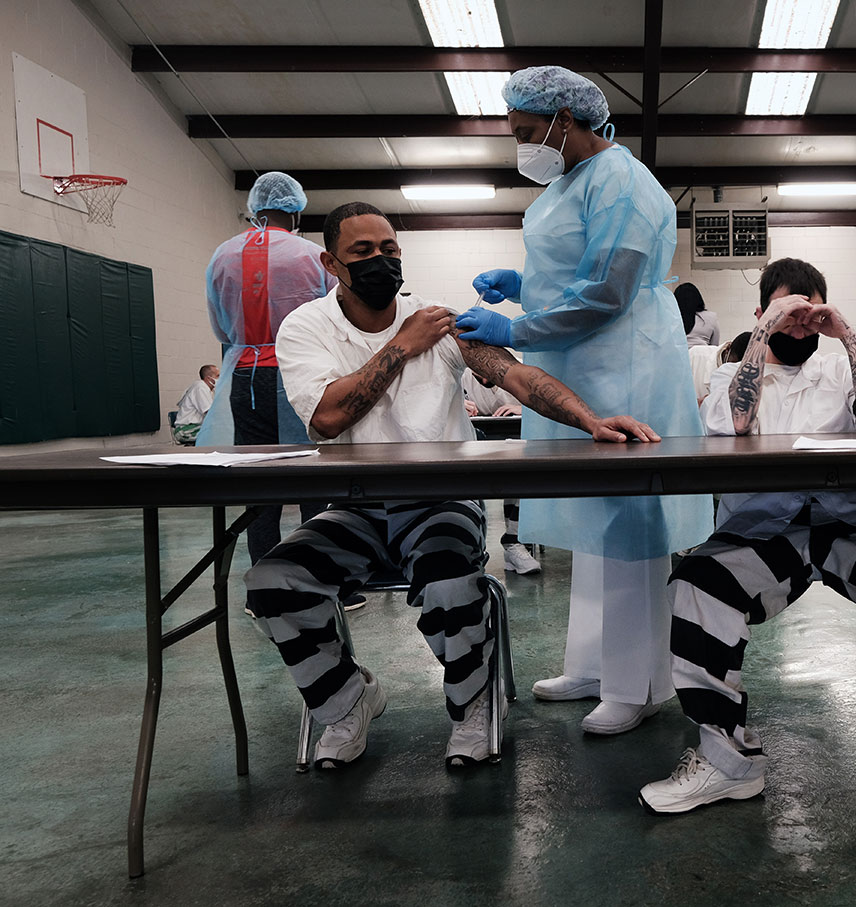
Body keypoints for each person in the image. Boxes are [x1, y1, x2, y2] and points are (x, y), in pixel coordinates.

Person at [247, 202, 658, 769]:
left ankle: (472, 707)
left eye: (389, 250)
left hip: (441, 502)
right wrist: (401, 346)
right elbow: (327, 417)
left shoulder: (438, 322)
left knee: (449, 584)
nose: (381, 262)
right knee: (272, 580)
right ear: (330, 263)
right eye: (362, 253)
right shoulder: (307, 327)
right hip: (357, 507)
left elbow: (517, 376)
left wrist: (589, 418)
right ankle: (346, 702)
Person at [639, 258, 856, 850]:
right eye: (785, 312)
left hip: (849, 524)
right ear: (760, 315)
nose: (799, 325)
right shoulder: (734, 374)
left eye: (809, 313)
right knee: (698, 584)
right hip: (763, 531)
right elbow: (735, 421)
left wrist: (846, 334)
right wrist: (762, 333)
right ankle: (727, 764)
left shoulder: (841, 368)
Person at [457, 66, 713, 735]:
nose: (521, 146)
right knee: (596, 529)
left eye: (524, 132)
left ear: (563, 119)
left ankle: (640, 683)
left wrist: (514, 327)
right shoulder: (573, 181)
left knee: (630, 528)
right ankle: (596, 664)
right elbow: (573, 273)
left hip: (625, 366)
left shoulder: (624, 183)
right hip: (581, 365)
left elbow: (605, 293)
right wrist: (523, 284)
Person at [197, 171, 336, 564]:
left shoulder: (221, 255)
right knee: (312, 472)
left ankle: (263, 577)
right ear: (294, 213)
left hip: (245, 374)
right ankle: (322, 571)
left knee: (258, 477)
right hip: (299, 372)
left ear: (255, 209)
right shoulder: (311, 255)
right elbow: (331, 316)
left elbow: (220, 326)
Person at [462, 369, 542, 574]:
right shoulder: (460, 377)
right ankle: (467, 549)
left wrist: (525, 409)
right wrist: (456, 406)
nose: (485, 379)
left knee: (521, 471)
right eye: (479, 375)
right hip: (475, 444)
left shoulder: (522, 369)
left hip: (516, 443)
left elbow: (547, 402)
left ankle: (513, 542)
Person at [172, 364, 218, 445]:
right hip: (185, 430)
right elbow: (210, 413)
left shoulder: (210, 390)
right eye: (218, 376)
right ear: (208, 378)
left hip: (195, 427)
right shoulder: (200, 387)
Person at [676, 282, 719, 347]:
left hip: (679, 355)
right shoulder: (712, 317)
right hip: (703, 355)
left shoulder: (673, 318)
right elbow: (714, 346)